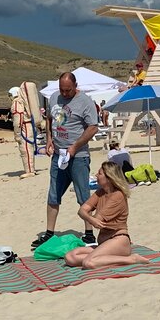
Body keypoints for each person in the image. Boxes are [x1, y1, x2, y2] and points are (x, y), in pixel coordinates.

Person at [35, 71, 99, 248]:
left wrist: (75, 146)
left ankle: (89, 234)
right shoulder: (54, 97)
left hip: (78, 157)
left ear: (75, 86)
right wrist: (49, 139)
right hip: (58, 155)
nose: (64, 93)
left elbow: (93, 127)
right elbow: (49, 119)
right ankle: (49, 233)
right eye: (62, 89)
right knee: (53, 194)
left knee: (83, 195)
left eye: (68, 90)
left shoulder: (85, 102)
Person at [64, 161, 149, 270]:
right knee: (70, 257)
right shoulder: (100, 192)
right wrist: (90, 219)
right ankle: (104, 258)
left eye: (100, 173)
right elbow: (81, 211)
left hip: (117, 240)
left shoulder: (117, 196)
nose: (96, 175)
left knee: (89, 262)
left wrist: (90, 218)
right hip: (104, 242)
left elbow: (97, 219)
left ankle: (131, 259)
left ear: (109, 178)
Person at [10, 87, 35, 178]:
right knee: (29, 148)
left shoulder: (17, 103)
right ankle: (31, 168)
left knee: (25, 149)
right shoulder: (23, 101)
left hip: (24, 127)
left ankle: (29, 170)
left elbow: (18, 120)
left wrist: (17, 134)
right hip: (28, 126)